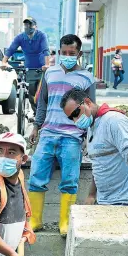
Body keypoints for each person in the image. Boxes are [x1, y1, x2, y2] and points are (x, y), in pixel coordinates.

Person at [28, 34, 95, 236]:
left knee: (69, 180)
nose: (67, 56)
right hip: (48, 134)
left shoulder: (86, 78)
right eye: (63, 52)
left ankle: (64, 223)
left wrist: (86, 135)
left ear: (79, 54)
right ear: (59, 52)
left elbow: (89, 109)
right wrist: (36, 127)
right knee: (36, 177)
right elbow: (42, 103)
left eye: (71, 53)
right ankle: (35, 220)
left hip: (72, 137)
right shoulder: (49, 73)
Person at [60, 89, 128, 207]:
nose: (75, 120)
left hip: (127, 202)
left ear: (88, 102)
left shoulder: (114, 121)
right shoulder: (92, 127)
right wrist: (92, 195)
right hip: (105, 202)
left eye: (76, 113)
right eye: (71, 118)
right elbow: (99, 164)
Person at [0, 17, 50, 116]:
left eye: (30, 25)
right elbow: (11, 50)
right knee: (31, 92)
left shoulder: (41, 36)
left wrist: (47, 64)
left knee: (41, 93)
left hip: (41, 68)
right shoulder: (20, 37)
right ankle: (37, 113)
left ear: (35, 26)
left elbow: (46, 51)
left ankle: (44, 113)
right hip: (29, 68)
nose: (28, 27)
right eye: (26, 25)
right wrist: (4, 62)